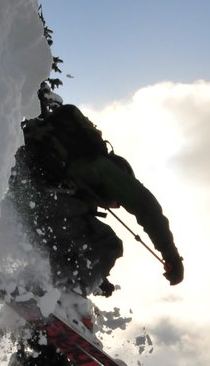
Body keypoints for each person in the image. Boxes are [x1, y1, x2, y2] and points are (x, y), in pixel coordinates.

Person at [12, 95, 184, 296]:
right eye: (115, 203)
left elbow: (76, 246)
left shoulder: (75, 179)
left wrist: (98, 280)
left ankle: (35, 289)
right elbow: (145, 204)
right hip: (44, 209)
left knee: (73, 245)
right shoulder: (102, 168)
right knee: (109, 244)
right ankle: (66, 295)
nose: (111, 205)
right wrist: (170, 254)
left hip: (23, 207)